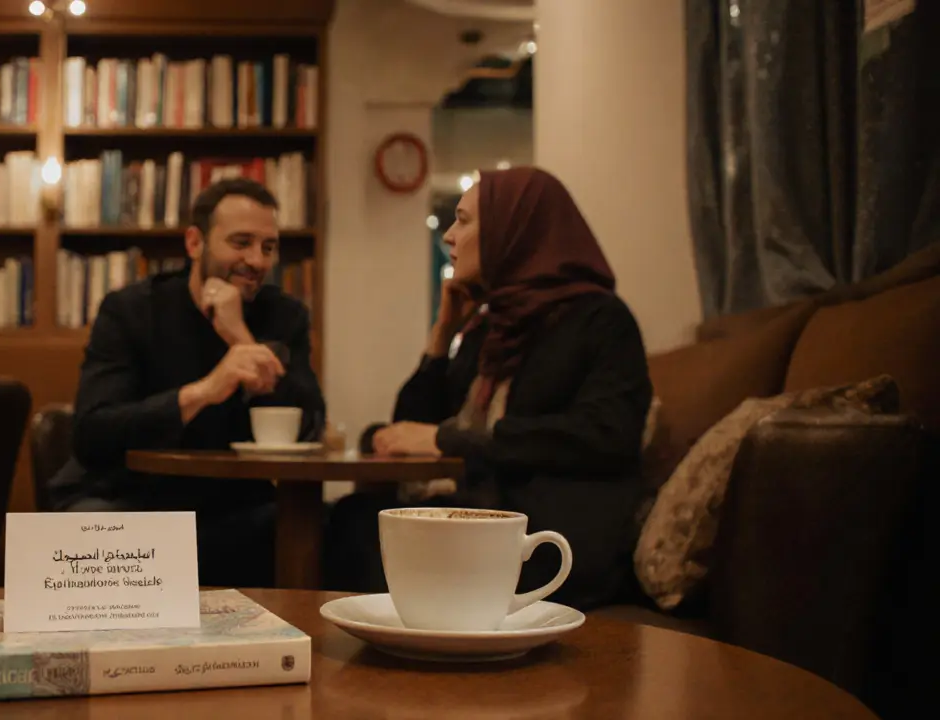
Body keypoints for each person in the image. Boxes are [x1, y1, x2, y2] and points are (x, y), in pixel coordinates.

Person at [325, 167, 653, 610]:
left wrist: (450, 440)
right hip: (484, 515)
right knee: (349, 519)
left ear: (513, 230)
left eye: (463, 220)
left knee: (356, 528)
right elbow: (412, 425)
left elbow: (605, 434)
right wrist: (441, 336)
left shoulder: (601, 320)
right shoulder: (492, 327)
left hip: (547, 539)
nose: (449, 237)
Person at [47, 177, 326, 588]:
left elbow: (310, 423)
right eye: (241, 242)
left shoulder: (284, 317)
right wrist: (204, 391)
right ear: (195, 243)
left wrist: (239, 338)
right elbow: (93, 431)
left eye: (268, 247)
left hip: (232, 505)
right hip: (127, 497)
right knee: (92, 530)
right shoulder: (132, 311)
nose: (257, 260)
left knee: (321, 530)